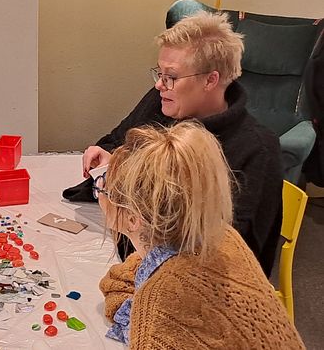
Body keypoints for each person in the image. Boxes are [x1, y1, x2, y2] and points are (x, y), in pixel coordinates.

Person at [73, 11, 282, 276]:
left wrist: (130, 212)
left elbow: (230, 256)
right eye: (159, 73)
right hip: (134, 256)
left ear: (210, 80)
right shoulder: (164, 104)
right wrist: (111, 160)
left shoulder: (257, 150)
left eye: (170, 76)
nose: (160, 85)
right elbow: (119, 141)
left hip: (193, 286)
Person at [96, 122, 303, 348]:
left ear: (134, 219)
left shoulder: (163, 296)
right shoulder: (220, 234)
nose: (99, 192)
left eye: (102, 188)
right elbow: (128, 273)